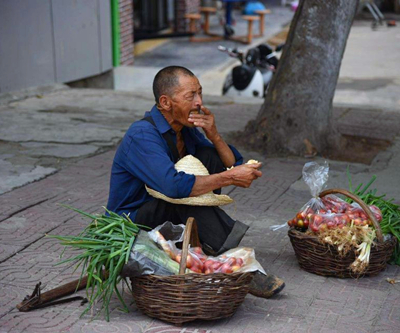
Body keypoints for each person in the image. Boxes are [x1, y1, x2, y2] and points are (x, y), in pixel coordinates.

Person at [106, 66, 284, 298]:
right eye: (191, 96)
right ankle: (238, 263)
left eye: (200, 93)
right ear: (166, 102)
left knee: (208, 157)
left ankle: (207, 242)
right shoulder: (141, 134)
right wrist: (230, 177)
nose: (199, 102)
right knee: (184, 197)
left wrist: (214, 134)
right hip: (132, 220)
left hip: (166, 209)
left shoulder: (185, 129)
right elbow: (173, 187)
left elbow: (229, 162)